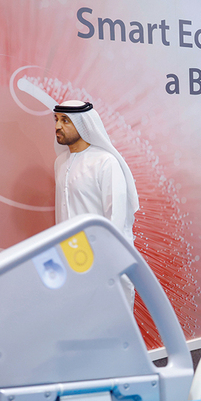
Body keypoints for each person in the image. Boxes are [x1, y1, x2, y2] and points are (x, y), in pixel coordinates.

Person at [53, 100, 139, 308]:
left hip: (103, 257)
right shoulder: (60, 163)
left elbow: (116, 217)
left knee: (110, 315)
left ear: (82, 124)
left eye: (65, 120)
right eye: (56, 120)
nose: (57, 126)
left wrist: (105, 260)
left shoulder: (105, 162)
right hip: (71, 256)